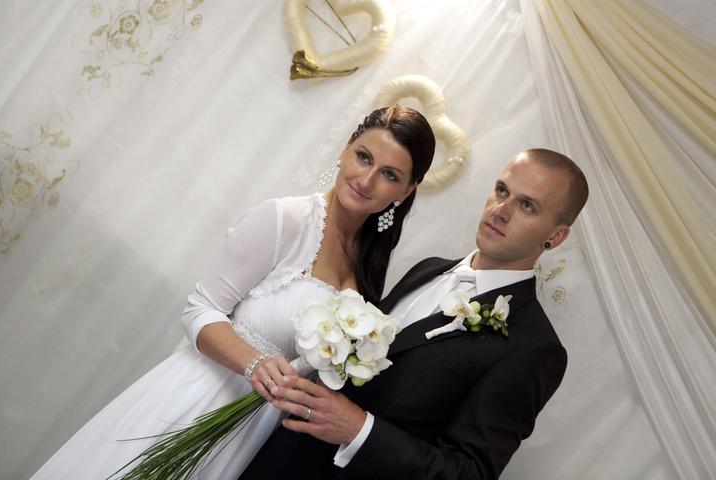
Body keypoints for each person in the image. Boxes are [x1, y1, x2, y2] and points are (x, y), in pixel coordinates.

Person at [29, 106, 435, 479]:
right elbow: (199, 309)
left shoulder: (369, 267)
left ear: (404, 192)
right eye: (363, 157)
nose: (366, 180)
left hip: (248, 432)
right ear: (346, 149)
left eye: (389, 175)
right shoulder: (286, 219)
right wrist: (253, 364)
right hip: (194, 400)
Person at [239, 148, 589, 479]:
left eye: (527, 205)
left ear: (556, 236)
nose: (501, 210)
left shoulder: (534, 347)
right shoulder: (428, 268)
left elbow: (469, 472)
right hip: (274, 459)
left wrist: (359, 431)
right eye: (502, 190)